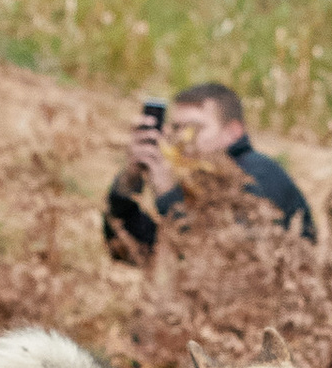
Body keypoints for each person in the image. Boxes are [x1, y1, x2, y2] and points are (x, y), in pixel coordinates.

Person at [103, 81, 315, 264]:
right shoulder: (198, 180)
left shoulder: (260, 175)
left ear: (232, 132)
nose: (183, 140)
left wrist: (168, 197)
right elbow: (129, 249)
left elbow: (228, 260)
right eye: (176, 128)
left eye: (194, 129)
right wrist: (128, 182)